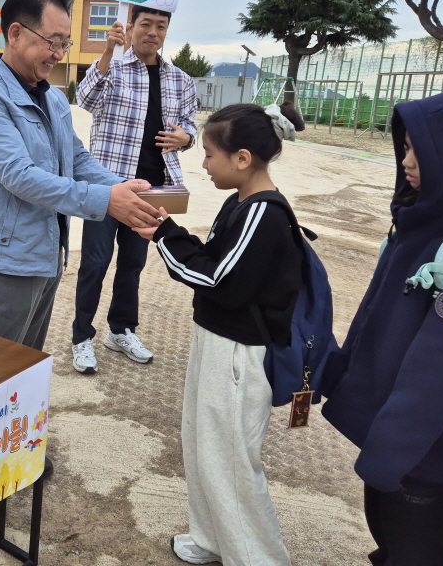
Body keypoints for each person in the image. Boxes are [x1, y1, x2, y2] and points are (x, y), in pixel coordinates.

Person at [322, 91, 443, 566]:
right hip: (392, 439)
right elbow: (374, 317)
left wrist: (389, 454)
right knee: (388, 541)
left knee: (415, 553)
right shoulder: (417, 223)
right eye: (405, 147)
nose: (407, 161)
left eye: (421, 151)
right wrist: (335, 373)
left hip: (429, 449)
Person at [134, 104, 304, 566]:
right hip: (219, 342)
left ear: (242, 158)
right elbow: (215, 258)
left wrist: (164, 238)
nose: (204, 164)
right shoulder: (241, 202)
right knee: (204, 446)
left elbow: (217, 280)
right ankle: (211, 538)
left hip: (238, 354)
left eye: (209, 154)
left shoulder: (263, 213)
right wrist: (167, 229)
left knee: (230, 462)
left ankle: (259, 560)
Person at [0, 0, 161, 354]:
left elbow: (76, 158)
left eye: (65, 43)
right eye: (52, 42)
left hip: (47, 250)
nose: (58, 54)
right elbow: (20, 176)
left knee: (27, 361)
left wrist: (125, 188)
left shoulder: (52, 96)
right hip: (6, 258)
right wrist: (106, 200)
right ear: (15, 34)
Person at [71, 6, 197, 373]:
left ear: (166, 31)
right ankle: (82, 337)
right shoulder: (113, 69)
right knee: (95, 263)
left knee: (133, 264)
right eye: (146, 24)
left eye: (161, 26)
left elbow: (189, 125)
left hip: (151, 190)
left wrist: (187, 138)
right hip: (108, 189)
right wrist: (108, 51)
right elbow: (85, 99)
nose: (153, 32)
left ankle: (121, 330)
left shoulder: (181, 80)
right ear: (131, 27)